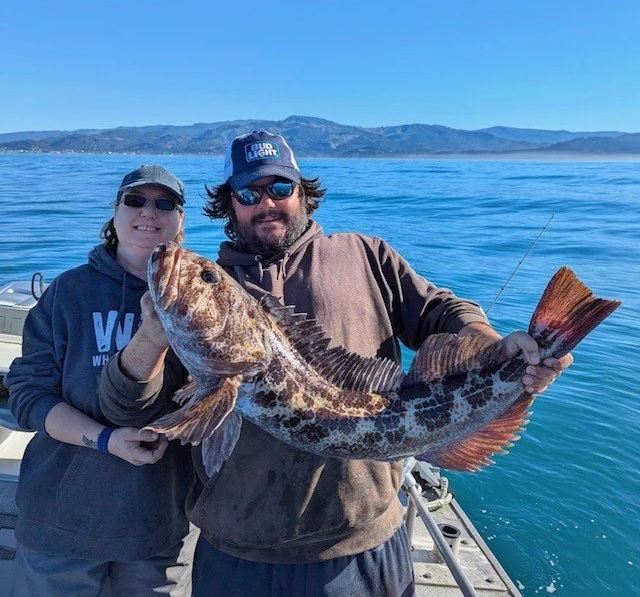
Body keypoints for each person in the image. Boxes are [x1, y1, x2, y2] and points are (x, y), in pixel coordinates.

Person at [98, 133, 573, 596]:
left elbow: (442, 312)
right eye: (247, 193)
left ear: (302, 192)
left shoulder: (367, 255)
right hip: (238, 552)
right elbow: (132, 410)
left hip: (361, 548)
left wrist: (499, 348)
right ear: (230, 204)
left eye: (280, 188)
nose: (266, 203)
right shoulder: (211, 297)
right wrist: (151, 337)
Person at [5, 165, 197, 596]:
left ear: (180, 221)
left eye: (164, 204)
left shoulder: (201, 295)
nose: (149, 212)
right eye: (135, 201)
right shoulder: (70, 291)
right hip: (60, 522)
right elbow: (28, 395)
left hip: (160, 524)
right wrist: (105, 439)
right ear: (114, 214)